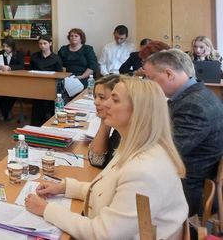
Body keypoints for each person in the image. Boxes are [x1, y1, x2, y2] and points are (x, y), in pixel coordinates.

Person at [25, 77, 188, 240]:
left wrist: (46, 210)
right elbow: (109, 192)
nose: (106, 104)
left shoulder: (143, 171)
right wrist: (65, 188)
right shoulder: (135, 146)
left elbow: (103, 234)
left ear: (138, 111)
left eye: (115, 100)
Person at [143, 49, 223, 216]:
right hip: (184, 175)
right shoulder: (192, 95)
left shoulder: (194, 105)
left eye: (151, 78)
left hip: (188, 188)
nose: (148, 84)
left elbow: (168, 152)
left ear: (169, 74)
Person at [87, 75, 121, 168]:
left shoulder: (126, 131)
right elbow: (96, 160)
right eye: (95, 96)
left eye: (102, 97)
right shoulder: (117, 130)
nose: (95, 102)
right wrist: (104, 121)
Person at [29, 35, 63, 126]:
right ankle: (36, 123)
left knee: (48, 98)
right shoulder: (34, 56)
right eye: (40, 44)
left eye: (45, 43)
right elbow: (30, 71)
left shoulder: (56, 58)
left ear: (50, 43)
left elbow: (59, 75)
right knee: (38, 99)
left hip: (51, 85)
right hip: (37, 84)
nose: (42, 46)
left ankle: (49, 120)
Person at [0, 36, 24, 121]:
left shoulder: (19, 54)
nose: (5, 48)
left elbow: (22, 66)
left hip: (14, 82)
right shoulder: (0, 53)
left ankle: (5, 112)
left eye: (7, 46)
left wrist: (9, 67)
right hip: (1, 80)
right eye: (3, 46)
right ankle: (1, 111)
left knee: (8, 96)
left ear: (12, 46)